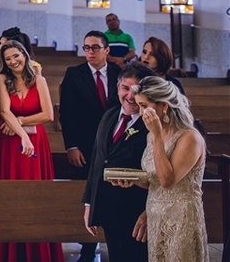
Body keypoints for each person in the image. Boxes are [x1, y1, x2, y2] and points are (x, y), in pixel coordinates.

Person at [114, 76, 207, 261]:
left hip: (181, 217)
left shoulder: (189, 137)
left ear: (163, 106)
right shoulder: (153, 135)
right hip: (156, 215)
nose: (141, 113)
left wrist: (156, 135)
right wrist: (132, 181)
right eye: (139, 106)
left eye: (144, 106)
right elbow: (154, 181)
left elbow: (167, 180)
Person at [0, 40, 63, 262]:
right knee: (11, 194)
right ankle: (10, 252)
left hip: (37, 142)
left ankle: (39, 251)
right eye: (8, 59)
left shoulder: (39, 80)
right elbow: (4, 111)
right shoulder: (2, 79)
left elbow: (48, 115)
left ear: (24, 55)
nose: (13, 61)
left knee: (36, 194)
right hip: (11, 144)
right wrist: (23, 136)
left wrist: (20, 122)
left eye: (16, 56)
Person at [83, 63, 154, 262]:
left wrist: (150, 211)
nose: (130, 96)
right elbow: (98, 160)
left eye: (136, 89)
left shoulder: (152, 124)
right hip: (109, 209)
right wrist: (90, 203)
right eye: (125, 88)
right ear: (117, 88)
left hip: (137, 212)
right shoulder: (110, 115)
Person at [60, 31, 116, 196]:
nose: (90, 52)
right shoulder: (74, 74)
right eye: (87, 48)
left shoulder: (118, 73)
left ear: (107, 50)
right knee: (86, 188)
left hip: (113, 142)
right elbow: (67, 112)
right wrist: (72, 146)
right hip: (84, 144)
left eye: (95, 47)